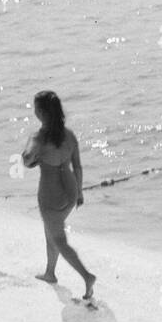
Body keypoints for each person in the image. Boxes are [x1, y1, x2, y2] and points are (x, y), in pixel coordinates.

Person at [22, 91, 96, 303]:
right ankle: (50, 272)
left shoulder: (38, 138)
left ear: (42, 113)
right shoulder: (69, 135)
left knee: (59, 240)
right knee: (51, 232)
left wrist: (29, 157)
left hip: (51, 196)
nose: (34, 111)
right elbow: (78, 166)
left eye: (36, 108)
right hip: (71, 191)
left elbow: (27, 159)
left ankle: (87, 276)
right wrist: (80, 192)